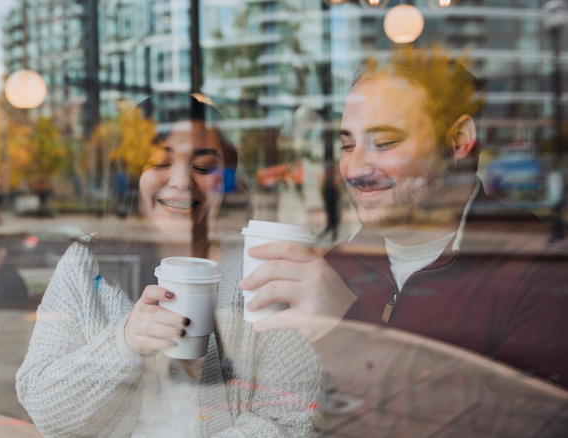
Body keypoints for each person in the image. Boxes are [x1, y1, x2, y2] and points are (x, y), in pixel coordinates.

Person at [243, 47, 568, 391]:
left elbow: (522, 422)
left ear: (458, 141)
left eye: (384, 142)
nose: (354, 171)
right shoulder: (339, 265)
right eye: (348, 146)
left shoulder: (543, 270)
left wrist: (343, 327)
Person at [16, 94, 322, 437]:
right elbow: (44, 408)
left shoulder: (262, 266)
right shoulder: (85, 266)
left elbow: (290, 417)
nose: (180, 181)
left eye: (204, 167)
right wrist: (125, 343)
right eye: (159, 163)